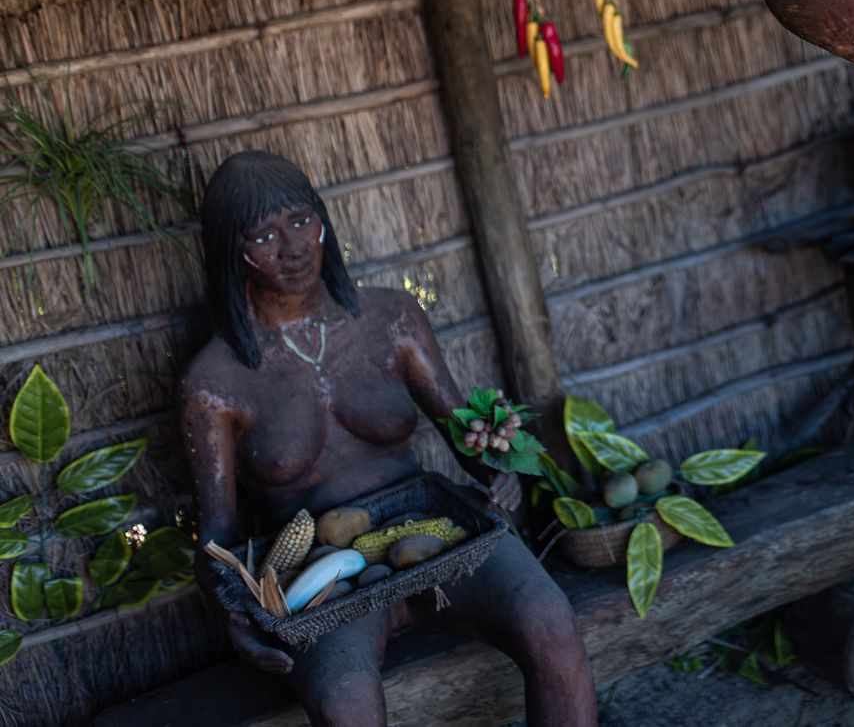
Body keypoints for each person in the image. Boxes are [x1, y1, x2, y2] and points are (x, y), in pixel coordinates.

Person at [179, 150, 597, 727]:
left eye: (301, 221)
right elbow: (218, 537)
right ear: (234, 250)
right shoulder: (215, 381)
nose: (293, 246)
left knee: (551, 621)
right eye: (266, 234)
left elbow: (463, 434)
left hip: (439, 532)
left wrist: (498, 469)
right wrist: (234, 613)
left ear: (323, 219)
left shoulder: (391, 318)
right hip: (318, 576)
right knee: (345, 700)